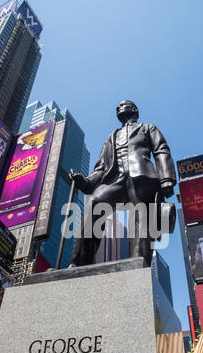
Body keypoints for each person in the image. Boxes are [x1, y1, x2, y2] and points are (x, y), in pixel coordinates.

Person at [69, 100, 176, 267]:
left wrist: (166, 179)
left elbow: (161, 149)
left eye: (123, 104)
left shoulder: (148, 128)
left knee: (141, 215)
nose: (119, 106)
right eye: (118, 106)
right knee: (95, 202)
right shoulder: (112, 136)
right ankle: (78, 264)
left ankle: (138, 263)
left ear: (134, 109)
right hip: (115, 179)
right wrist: (86, 182)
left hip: (142, 177)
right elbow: (101, 167)